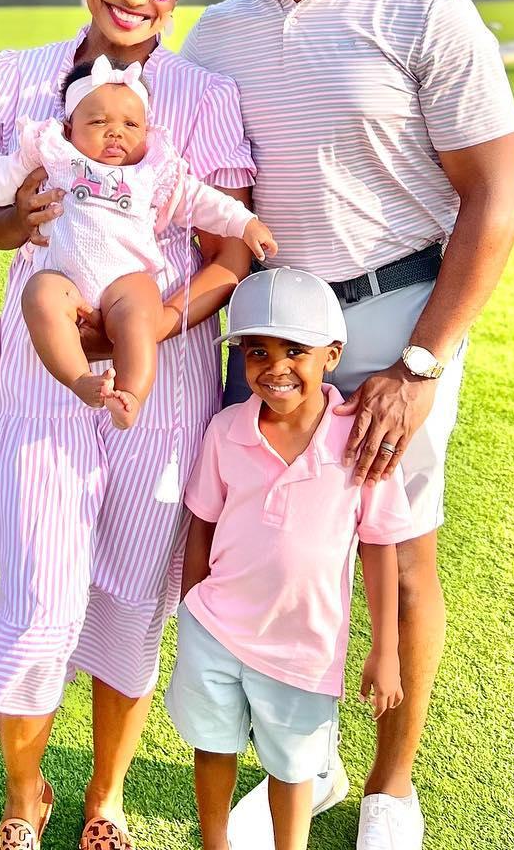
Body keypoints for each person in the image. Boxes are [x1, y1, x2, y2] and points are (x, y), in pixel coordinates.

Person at [180, 0, 514, 850]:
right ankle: (310, 760)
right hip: (268, 335)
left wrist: (422, 361)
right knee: (278, 552)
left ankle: (392, 786)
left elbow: (497, 199)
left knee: (399, 554)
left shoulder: (424, 7)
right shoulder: (217, 32)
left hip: (394, 323)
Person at [0, 0, 256, 850]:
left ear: (178, 0)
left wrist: (161, 323)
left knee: (130, 597)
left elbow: (231, 248)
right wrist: (26, 219)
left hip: (159, 383)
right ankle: (24, 791)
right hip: (44, 375)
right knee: (42, 591)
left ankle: (107, 796)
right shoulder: (22, 77)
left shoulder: (203, 98)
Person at [168, 269, 412, 850]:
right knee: (214, 744)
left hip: (305, 648)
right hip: (216, 630)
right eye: (257, 351)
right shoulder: (226, 430)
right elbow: (201, 525)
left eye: (294, 350)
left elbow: (379, 548)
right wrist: (190, 606)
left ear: (331, 356)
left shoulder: (361, 440)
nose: (274, 367)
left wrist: (385, 651)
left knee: (293, 768)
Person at [0, 55, 274, 429]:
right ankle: (80, 379)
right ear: (70, 127)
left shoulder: (153, 169)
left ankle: (131, 396)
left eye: (130, 124)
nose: (115, 132)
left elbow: (204, 202)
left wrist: (245, 223)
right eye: (98, 122)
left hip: (126, 278)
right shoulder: (52, 152)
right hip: (64, 279)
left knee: (142, 310)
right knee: (39, 293)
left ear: (147, 130)